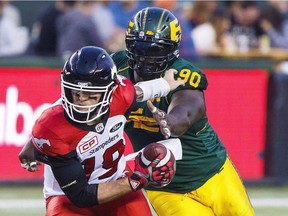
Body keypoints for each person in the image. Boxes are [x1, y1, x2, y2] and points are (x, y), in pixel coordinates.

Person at [111, 7, 255, 215]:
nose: (145, 56)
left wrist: (169, 121)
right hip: (166, 188)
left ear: (172, 49)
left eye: (156, 49)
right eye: (139, 47)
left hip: (213, 173)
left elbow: (185, 113)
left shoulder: (182, 72)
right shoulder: (116, 68)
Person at [18, 46, 183, 216]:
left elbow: (139, 92)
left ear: (110, 93)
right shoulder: (52, 128)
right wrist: (137, 179)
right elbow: (81, 195)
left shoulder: (121, 95)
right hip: (67, 198)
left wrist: (165, 84)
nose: (81, 100)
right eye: (75, 93)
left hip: (116, 180)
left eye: (91, 95)